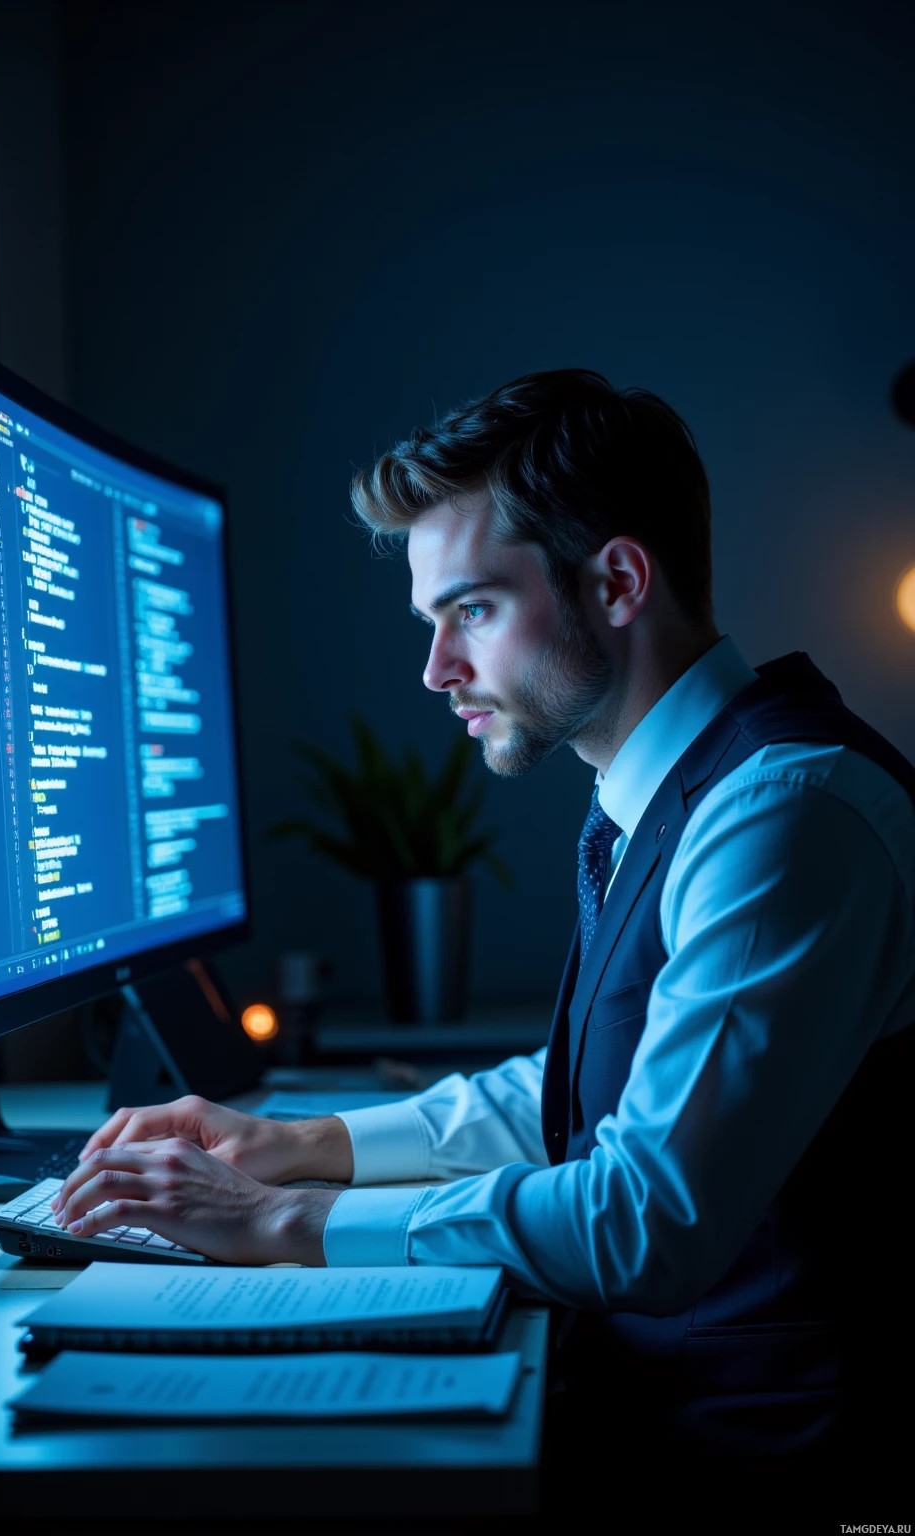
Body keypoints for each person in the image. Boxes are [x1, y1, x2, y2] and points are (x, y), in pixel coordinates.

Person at [53, 370, 914, 1490]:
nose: (434, 670)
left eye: (472, 609)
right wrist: (303, 1146)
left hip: (772, 1465)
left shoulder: (785, 812)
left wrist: (283, 1222)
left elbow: (646, 1218)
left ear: (615, 582)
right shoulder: (676, 795)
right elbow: (579, 1086)